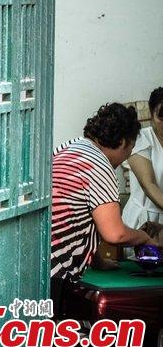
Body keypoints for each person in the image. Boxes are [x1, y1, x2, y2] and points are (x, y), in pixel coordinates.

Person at [50, 103, 155, 314]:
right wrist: (144, 237)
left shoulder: (71, 146)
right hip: (55, 270)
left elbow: (77, 213)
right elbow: (115, 234)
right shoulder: (100, 165)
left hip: (40, 258)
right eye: (130, 150)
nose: (127, 158)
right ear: (124, 142)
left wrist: (97, 259)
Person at [122, 87, 163, 228]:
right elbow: (149, 185)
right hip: (144, 222)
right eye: (161, 116)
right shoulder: (141, 139)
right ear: (152, 114)